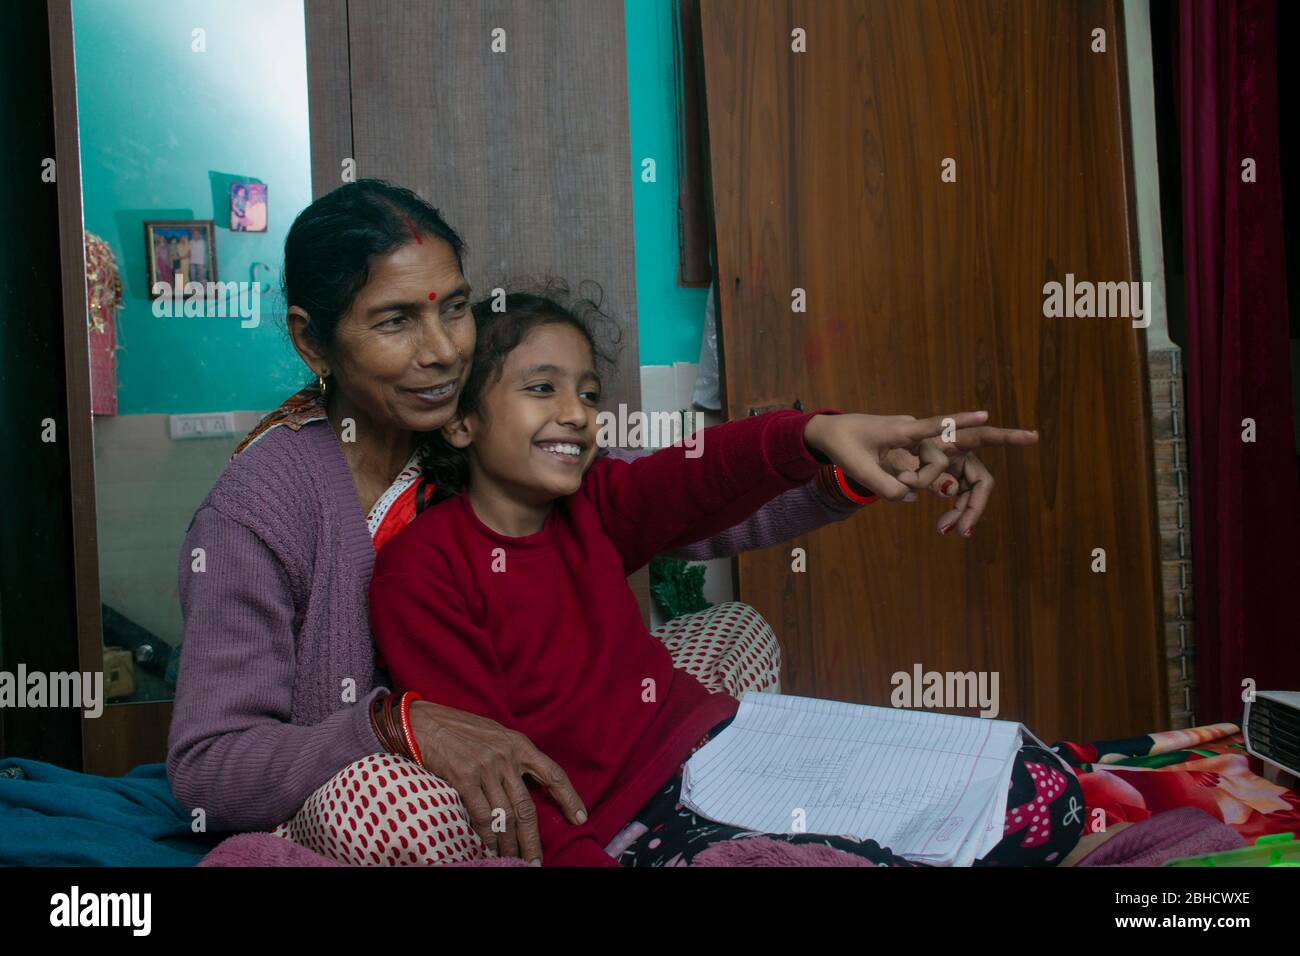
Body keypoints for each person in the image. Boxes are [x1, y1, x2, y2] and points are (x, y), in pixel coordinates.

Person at [166, 179, 1047, 865]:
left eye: (456, 306)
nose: (441, 349)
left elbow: (672, 505)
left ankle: (707, 823)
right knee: (396, 801)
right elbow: (208, 767)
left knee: (731, 636)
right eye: (396, 321)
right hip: (390, 781)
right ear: (313, 342)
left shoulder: (468, 436)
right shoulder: (258, 513)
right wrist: (399, 725)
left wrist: (841, 459)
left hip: (532, 737)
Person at [366, 290, 1081, 867]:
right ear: (460, 424)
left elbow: (698, 472)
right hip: (628, 824)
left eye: (587, 393)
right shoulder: (422, 572)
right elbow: (502, 771)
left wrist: (811, 434)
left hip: (724, 748)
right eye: (542, 388)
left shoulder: (598, 504)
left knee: (1042, 787)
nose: (577, 414)